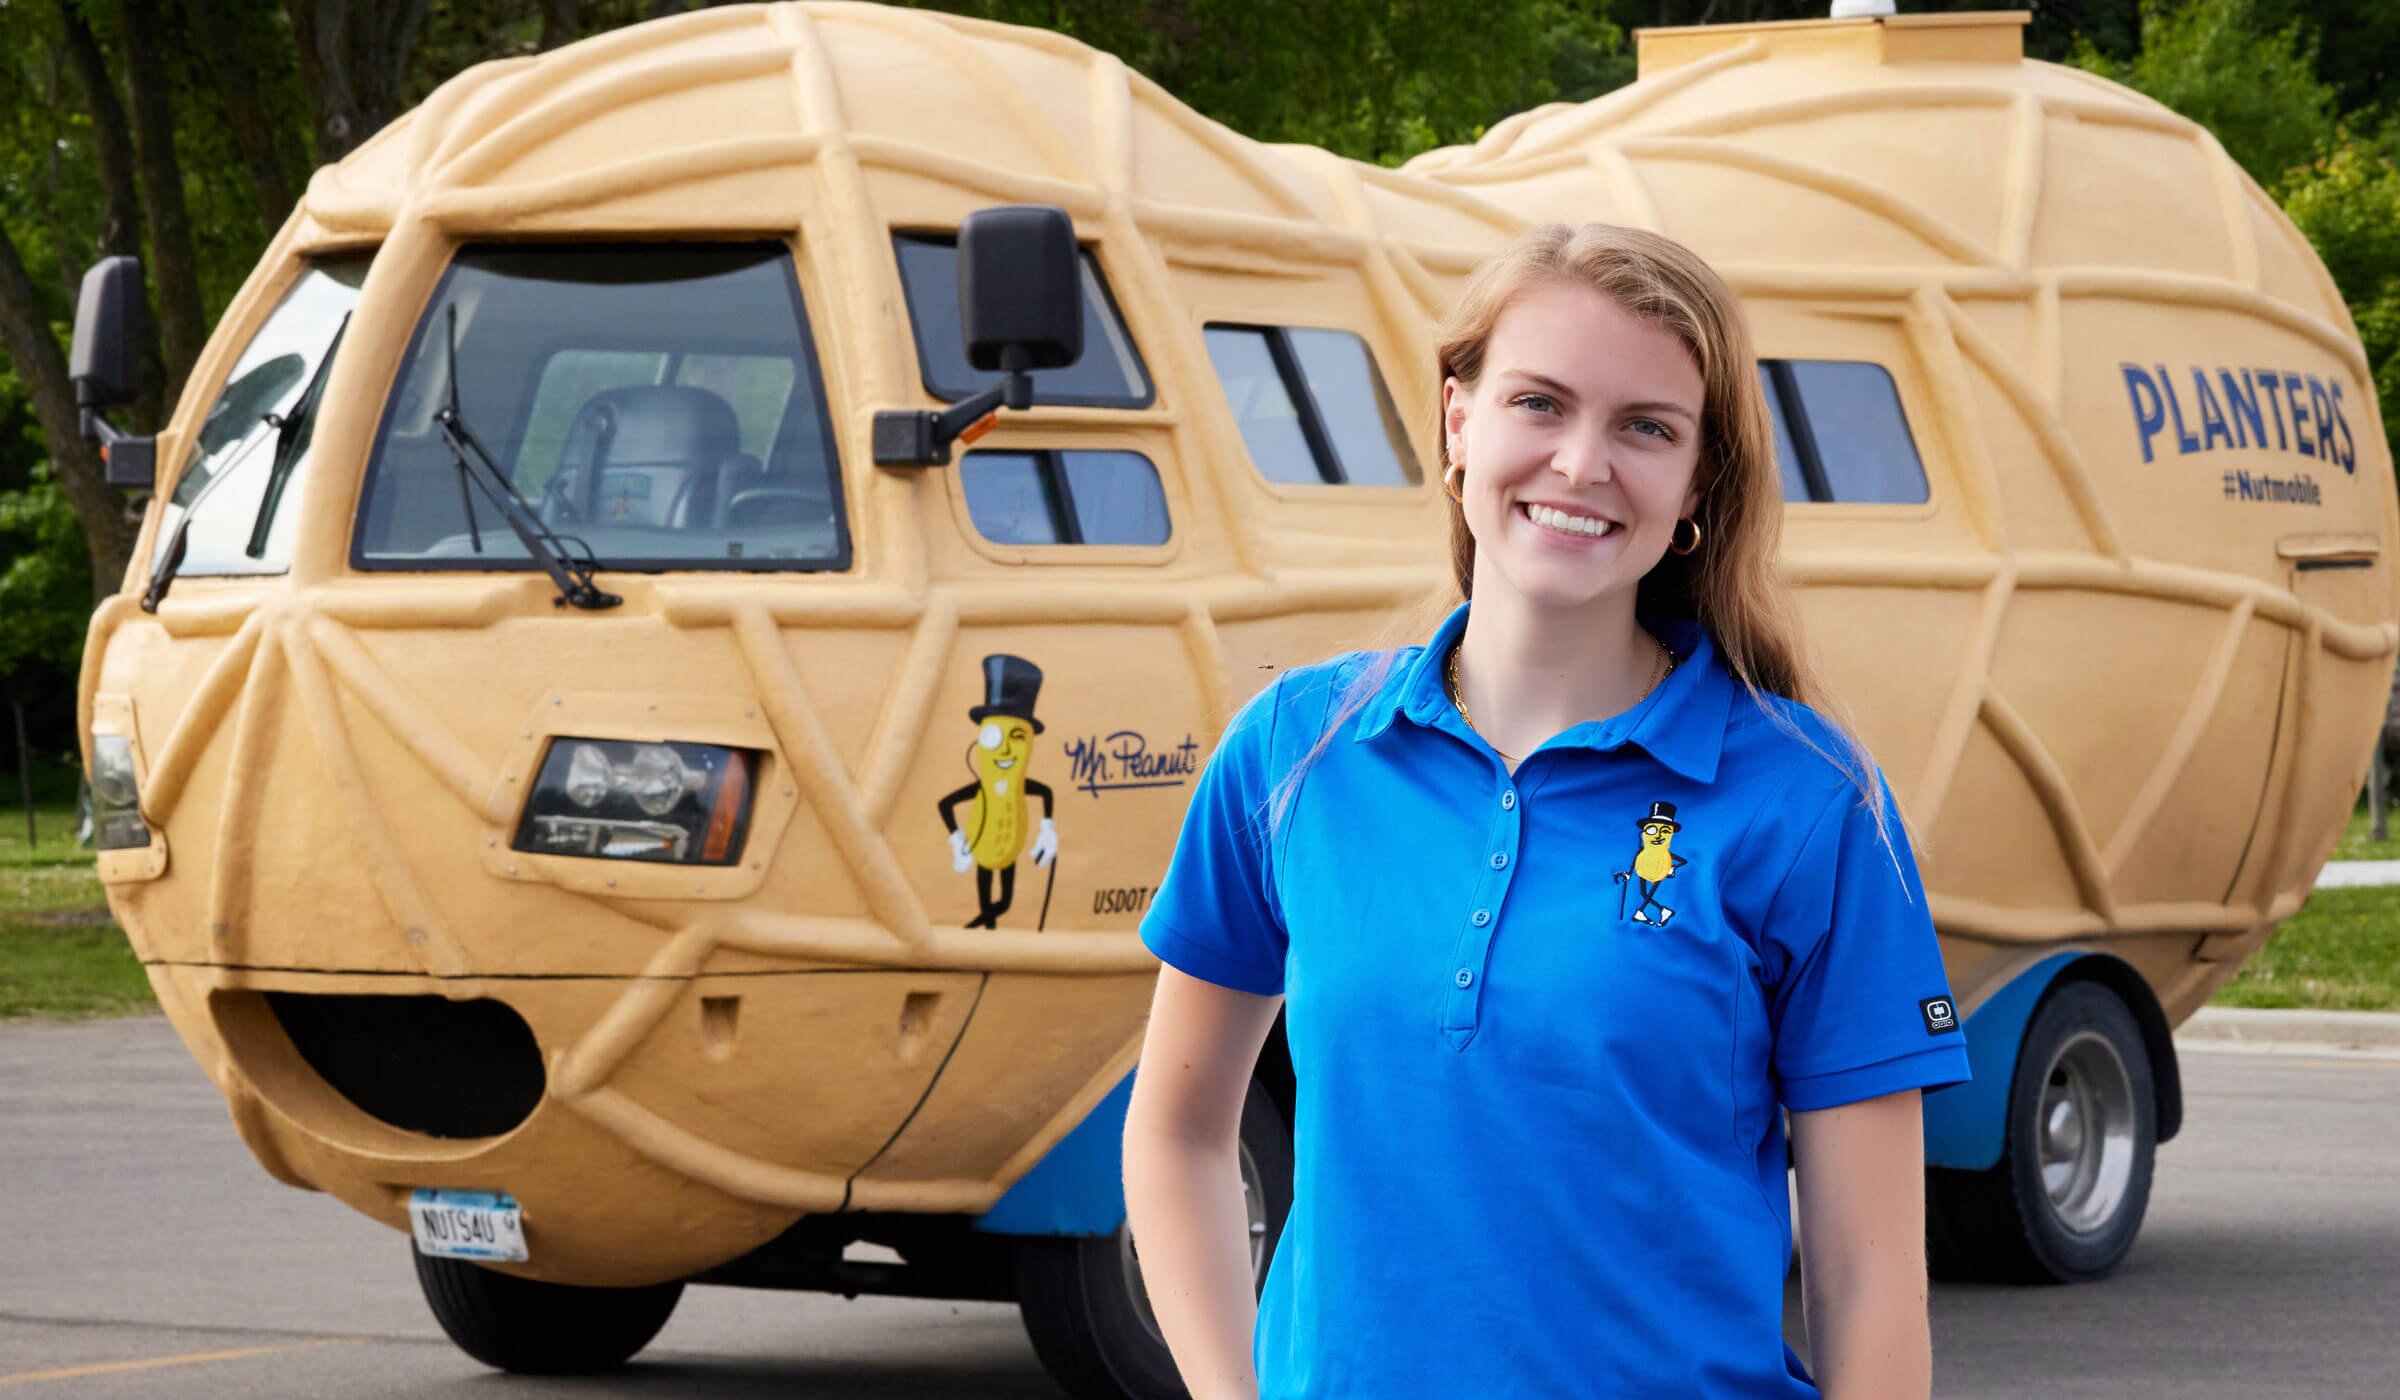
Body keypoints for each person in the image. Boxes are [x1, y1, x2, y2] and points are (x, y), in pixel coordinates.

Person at [1121, 222, 1972, 1400]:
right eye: (1539, 403)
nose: (1580, 464)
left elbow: (1868, 1277)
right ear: (1457, 422)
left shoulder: (1812, 803)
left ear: (1697, 484)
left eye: (1646, 427)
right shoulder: (1295, 750)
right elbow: (1176, 1132)